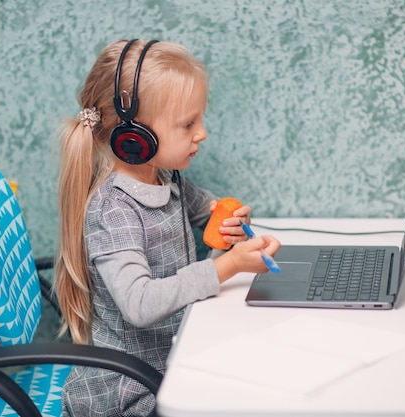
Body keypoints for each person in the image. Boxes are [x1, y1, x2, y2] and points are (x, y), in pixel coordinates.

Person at [54, 38, 281, 417]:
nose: (202, 133)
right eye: (188, 123)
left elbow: (204, 213)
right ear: (135, 137)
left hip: (176, 356)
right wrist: (228, 266)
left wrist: (231, 222)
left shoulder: (165, 178)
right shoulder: (113, 211)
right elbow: (140, 304)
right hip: (129, 392)